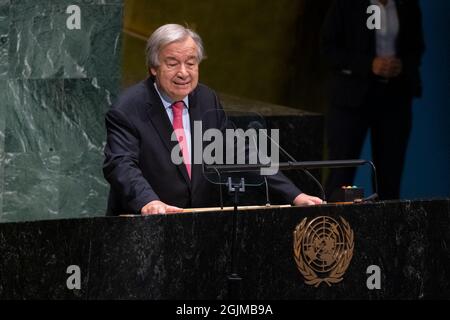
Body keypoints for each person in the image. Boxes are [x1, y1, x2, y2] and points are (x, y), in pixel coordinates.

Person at [103, 24, 322, 216]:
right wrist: (148, 201)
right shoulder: (129, 108)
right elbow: (120, 164)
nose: (183, 72)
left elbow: (240, 152)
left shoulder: (206, 99)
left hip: (199, 226)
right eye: (172, 63)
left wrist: (294, 195)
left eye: (191, 63)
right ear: (153, 68)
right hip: (142, 227)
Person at [321, 0, 425, 200]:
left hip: (394, 98)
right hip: (350, 99)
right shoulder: (346, 4)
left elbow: (416, 48)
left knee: (389, 177)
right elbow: (328, 49)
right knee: (340, 174)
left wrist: (402, 65)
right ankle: (332, 228)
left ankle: (387, 229)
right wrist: (369, 64)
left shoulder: (408, 5)